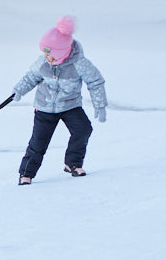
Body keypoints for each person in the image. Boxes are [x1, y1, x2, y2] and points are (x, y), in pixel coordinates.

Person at [12, 15, 108, 185]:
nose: (46, 57)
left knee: (83, 129)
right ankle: (26, 173)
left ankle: (72, 163)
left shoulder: (79, 63)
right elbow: (31, 77)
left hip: (70, 105)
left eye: (50, 54)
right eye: (45, 53)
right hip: (44, 107)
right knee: (38, 142)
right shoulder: (42, 62)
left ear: (63, 53)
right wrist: (18, 91)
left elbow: (95, 81)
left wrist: (99, 105)